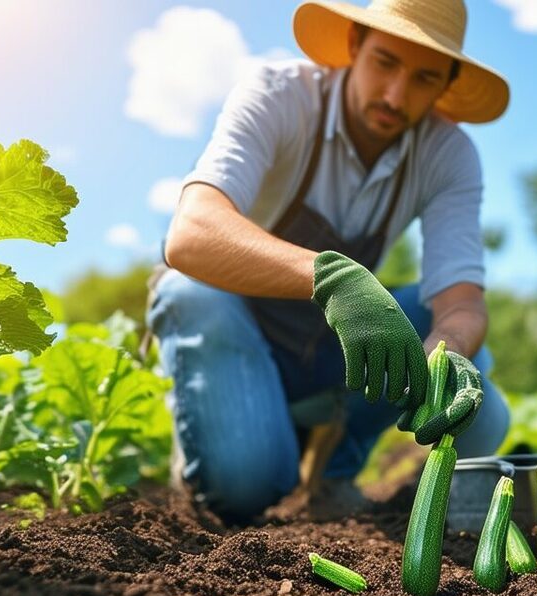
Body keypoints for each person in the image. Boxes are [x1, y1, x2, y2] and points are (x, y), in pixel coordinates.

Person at [146, 0, 512, 522]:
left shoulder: (446, 153)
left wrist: (441, 354)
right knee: (244, 489)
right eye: (385, 63)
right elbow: (190, 233)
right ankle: (222, 429)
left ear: (444, 87)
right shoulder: (281, 95)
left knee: (477, 385)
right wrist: (331, 277)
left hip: (330, 349)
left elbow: (463, 301)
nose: (395, 95)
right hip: (239, 331)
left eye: (423, 78)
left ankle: (335, 467)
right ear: (353, 46)